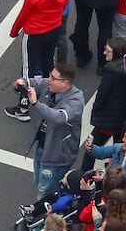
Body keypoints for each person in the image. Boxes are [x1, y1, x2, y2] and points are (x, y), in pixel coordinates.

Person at [6, 0, 73, 113]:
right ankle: (48, 95)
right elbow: (62, 8)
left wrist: (14, 31)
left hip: (34, 34)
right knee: (47, 63)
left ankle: (23, 107)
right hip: (53, 30)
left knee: (28, 69)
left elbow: (23, 15)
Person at [18, 63, 85, 198]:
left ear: (65, 83)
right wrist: (21, 84)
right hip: (43, 147)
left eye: (53, 78)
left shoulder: (76, 100)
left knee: (46, 192)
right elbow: (33, 82)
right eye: (50, 75)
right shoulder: (49, 86)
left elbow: (59, 118)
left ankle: (47, 215)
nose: (49, 79)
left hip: (57, 155)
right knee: (39, 182)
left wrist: (36, 103)